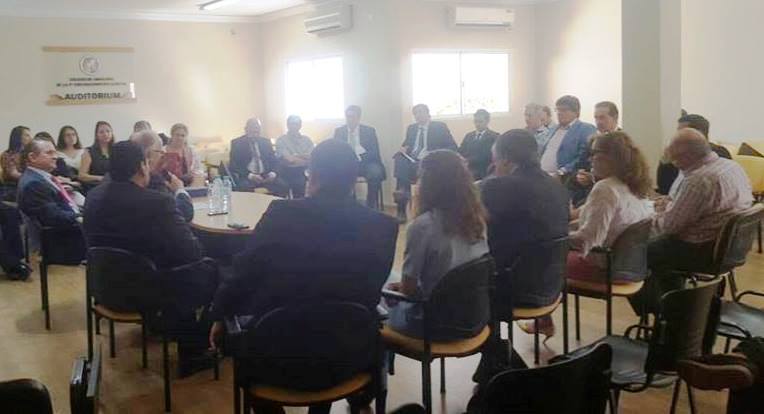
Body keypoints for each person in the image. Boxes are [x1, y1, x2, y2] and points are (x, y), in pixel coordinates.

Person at [209, 140, 398, 410]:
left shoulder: (281, 214)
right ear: (354, 179)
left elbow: (243, 273)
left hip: (276, 359)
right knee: (332, 320)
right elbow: (366, 291)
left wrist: (219, 315)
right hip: (349, 356)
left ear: (313, 175)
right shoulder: (384, 226)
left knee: (247, 353)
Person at [84, 141, 214, 376]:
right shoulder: (156, 203)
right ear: (142, 166)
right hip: (147, 293)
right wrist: (180, 191)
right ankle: (194, 351)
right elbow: (192, 251)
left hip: (104, 287)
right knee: (212, 268)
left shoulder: (93, 196)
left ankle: (166, 327)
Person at [633, 128, 753, 314]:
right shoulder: (732, 167)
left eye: (675, 159)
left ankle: (664, 313)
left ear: (688, 156)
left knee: (633, 253)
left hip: (702, 251)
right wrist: (671, 205)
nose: (674, 164)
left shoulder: (699, 180)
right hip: (730, 249)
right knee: (657, 251)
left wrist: (644, 214)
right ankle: (676, 302)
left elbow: (669, 227)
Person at [386, 149, 489, 338]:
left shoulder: (423, 226)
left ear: (427, 183)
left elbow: (408, 290)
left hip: (432, 324)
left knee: (379, 291)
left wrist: (397, 287)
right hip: (474, 318)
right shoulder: (478, 219)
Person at [480, 129, 569, 334]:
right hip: (552, 284)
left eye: (495, 160)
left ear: (505, 160)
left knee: (459, 274)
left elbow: (475, 228)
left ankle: (495, 347)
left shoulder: (499, 187)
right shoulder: (556, 186)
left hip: (512, 288)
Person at [567, 131, 653, 284]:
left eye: (594, 153)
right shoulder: (634, 185)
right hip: (630, 267)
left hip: (601, 267)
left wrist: (557, 237)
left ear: (612, 157)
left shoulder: (606, 188)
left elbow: (588, 240)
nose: (590, 159)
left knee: (542, 260)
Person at [17, 139, 85, 264]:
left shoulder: (40, 177)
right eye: (49, 153)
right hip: (63, 242)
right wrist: (81, 216)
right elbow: (54, 217)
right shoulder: (33, 184)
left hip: (69, 228)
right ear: (32, 157)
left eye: (55, 152)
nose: (55, 157)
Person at [393, 104, 457, 222]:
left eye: (421, 112)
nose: (418, 115)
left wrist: (435, 154)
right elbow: (406, 144)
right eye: (416, 113)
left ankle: (403, 190)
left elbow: (452, 146)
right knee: (399, 158)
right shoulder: (411, 128)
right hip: (412, 161)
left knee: (404, 175)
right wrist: (404, 149)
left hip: (429, 162)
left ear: (428, 114)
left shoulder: (439, 127)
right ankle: (401, 204)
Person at [656, 114, 732, 195]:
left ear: (697, 133)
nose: (677, 135)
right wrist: (665, 161)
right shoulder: (680, 154)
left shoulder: (719, 153)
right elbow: (664, 188)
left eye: (682, 131)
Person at [130, 130, 194, 222]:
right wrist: (180, 190)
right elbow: (185, 212)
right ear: (147, 155)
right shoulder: (152, 181)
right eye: (160, 152)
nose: (163, 156)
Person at [332, 105, 387, 208]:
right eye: (348, 116)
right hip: (347, 163)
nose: (350, 119)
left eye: (352, 116)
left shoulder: (369, 131)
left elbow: (374, 152)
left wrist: (360, 155)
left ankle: (371, 205)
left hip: (366, 162)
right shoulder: (339, 131)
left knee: (375, 172)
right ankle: (350, 203)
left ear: (358, 117)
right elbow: (336, 151)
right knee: (338, 172)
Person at [569, 101, 622, 206]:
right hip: (586, 193)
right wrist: (578, 176)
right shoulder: (592, 141)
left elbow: (621, 175)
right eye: (596, 118)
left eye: (602, 118)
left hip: (612, 195)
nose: (598, 122)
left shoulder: (622, 142)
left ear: (615, 118)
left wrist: (592, 179)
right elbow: (577, 167)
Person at [539, 95, 597, 178]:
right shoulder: (552, 129)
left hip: (564, 178)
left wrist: (562, 171)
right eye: (557, 110)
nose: (559, 113)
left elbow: (583, 156)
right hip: (542, 176)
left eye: (564, 110)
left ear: (576, 112)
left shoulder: (585, 129)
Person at [229, 118, 288, 196]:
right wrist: (250, 176)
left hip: (265, 175)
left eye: (257, 128)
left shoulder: (266, 142)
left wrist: (273, 173)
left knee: (283, 186)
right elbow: (234, 165)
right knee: (243, 188)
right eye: (252, 128)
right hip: (247, 176)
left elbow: (274, 161)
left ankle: (275, 204)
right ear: (246, 129)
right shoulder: (237, 143)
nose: (255, 131)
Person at [275, 115, 314, 199]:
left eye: (296, 124)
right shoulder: (281, 140)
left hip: (303, 172)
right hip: (286, 172)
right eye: (292, 123)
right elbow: (289, 160)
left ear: (300, 125)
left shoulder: (307, 140)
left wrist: (295, 155)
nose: (294, 126)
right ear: (287, 125)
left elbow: (311, 157)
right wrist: (303, 158)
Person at [458, 109, 499, 181]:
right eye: (475, 121)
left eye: (480, 121)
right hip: (469, 170)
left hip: (485, 170)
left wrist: (469, 160)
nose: (477, 124)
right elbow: (461, 151)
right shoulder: (468, 136)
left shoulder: (494, 137)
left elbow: (491, 156)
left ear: (487, 121)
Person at [79, 121, 114, 188]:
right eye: (101, 132)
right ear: (96, 135)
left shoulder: (117, 150)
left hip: (114, 185)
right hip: (97, 186)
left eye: (108, 131)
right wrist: (100, 178)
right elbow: (82, 175)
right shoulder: (89, 152)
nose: (105, 134)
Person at [1, 126, 33, 196]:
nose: (31, 138)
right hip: (12, 189)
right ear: (18, 137)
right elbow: (13, 173)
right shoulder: (8, 155)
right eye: (27, 135)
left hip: (25, 186)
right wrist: (33, 179)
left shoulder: (27, 154)